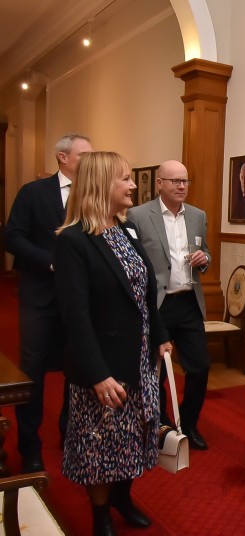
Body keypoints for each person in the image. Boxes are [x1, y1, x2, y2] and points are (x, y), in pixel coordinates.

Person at [54, 151, 172, 536]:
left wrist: (162, 337)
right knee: (101, 445)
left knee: (134, 437)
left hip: (139, 358)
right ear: (102, 185)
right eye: (125, 179)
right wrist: (98, 375)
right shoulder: (73, 241)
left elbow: (144, 293)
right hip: (102, 364)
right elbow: (76, 317)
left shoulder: (126, 231)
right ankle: (101, 512)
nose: (133, 185)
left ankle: (123, 496)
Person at [6, 133, 92, 473]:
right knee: (34, 370)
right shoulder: (33, 193)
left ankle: (69, 431)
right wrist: (51, 262)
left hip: (79, 299)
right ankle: (29, 445)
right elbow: (12, 237)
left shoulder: (92, 195)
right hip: (39, 297)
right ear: (63, 157)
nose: (90, 160)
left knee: (77, 367)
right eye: (84, 154)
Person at [127, 160, 212, 450]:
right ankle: (161, 426)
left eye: (185, 181)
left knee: (200, 367)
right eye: (175, 181)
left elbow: (206, 251)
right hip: (156, 305)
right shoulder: (137, 215)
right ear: (159, 183)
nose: (181, 186)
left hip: (188, 302)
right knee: (155, 371)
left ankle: (189, 423)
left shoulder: (198, 216)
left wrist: (205, 259)